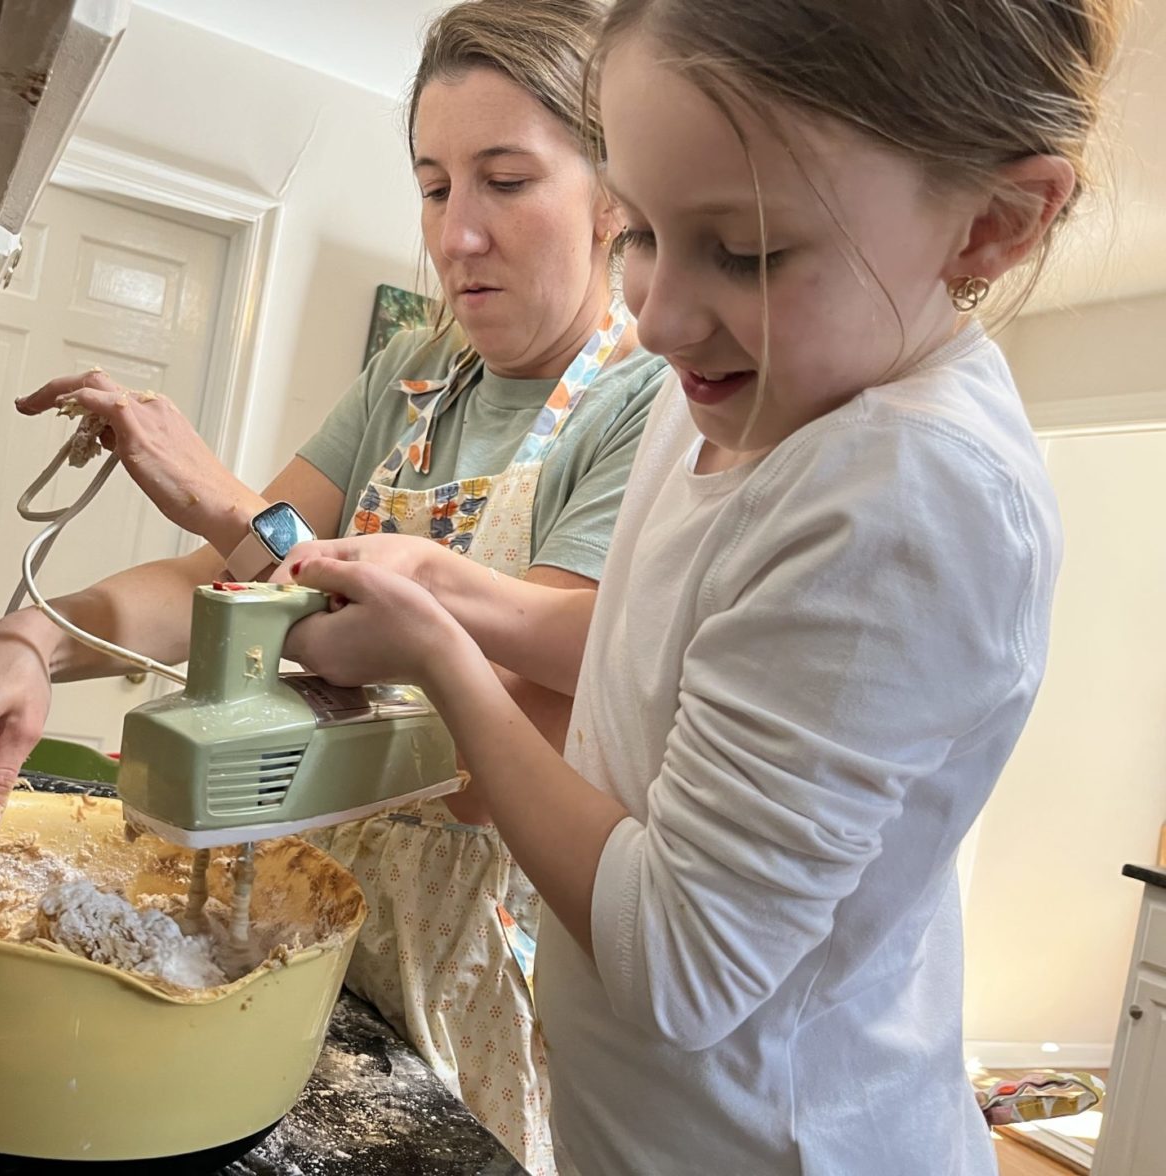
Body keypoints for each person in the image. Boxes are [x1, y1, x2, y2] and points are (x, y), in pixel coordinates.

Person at [272, 0, 1121, 1171]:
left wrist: (439, 655)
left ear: (992, 222)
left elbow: (678, 962)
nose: (655, 317)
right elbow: (647, 644)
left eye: (748, 251)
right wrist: (455, 588)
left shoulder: (904, 497)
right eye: (642, 231)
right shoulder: (739, 378)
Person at [0, 2, 668, 1168]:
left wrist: (225, 502)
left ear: (616, 193)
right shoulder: (419, 372)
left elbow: (499, 745)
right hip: (317, 916)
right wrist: (33, 638)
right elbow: (218, 585)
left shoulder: (651, 407)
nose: (457, 237)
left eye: (506, 181)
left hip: (475, 966)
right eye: (433, 187)